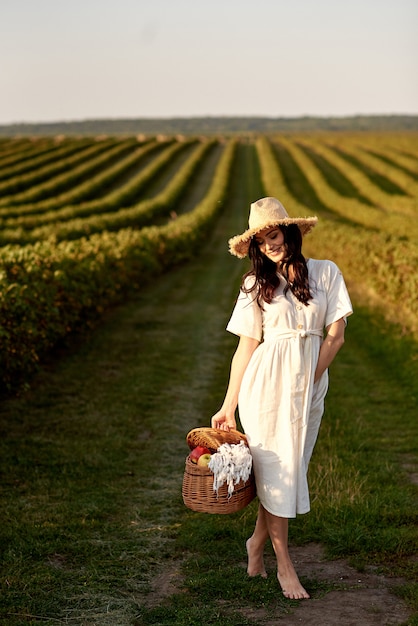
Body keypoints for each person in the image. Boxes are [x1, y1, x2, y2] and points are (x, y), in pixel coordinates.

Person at [211, 197, 353, 600]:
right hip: (266, 387)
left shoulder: (326, 273)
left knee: (287, 472)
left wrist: (310, 379)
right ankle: (284, 565)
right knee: (280, 473)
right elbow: (246, 347)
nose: (270, 244)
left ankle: (255, 543)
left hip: (309, 385)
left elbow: (336, 336)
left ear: (289, 231)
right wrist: (228, 405)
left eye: (274, 234)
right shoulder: (256, 285)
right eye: (261, 240)